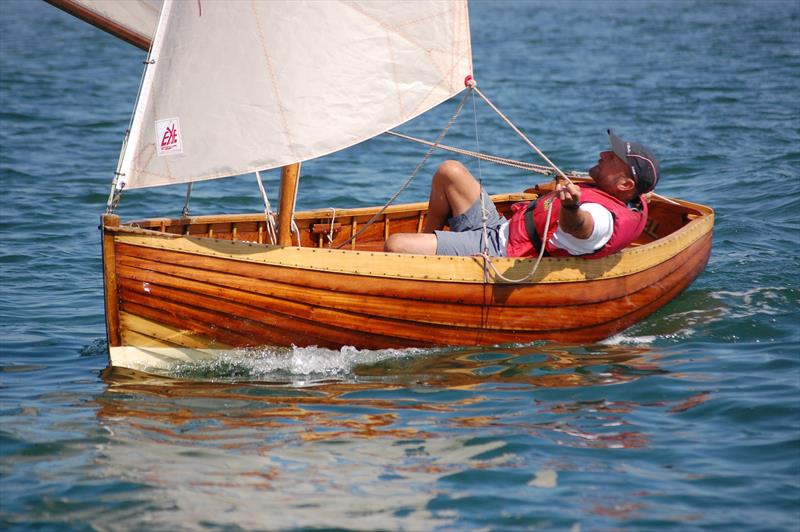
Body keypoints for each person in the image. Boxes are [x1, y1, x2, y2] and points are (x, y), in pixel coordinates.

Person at [384, 130, 660, 259]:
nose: (604, 154)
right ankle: (430, 250)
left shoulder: (602, 219)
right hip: (501, 229)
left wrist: (572, 208)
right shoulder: (625, 196)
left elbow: (581, 227)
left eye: (613, 158)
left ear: (625, 184)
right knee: (450, 171)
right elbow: (636, 197)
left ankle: (425, 251)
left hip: (502, 250)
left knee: (396, 245)